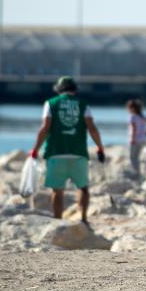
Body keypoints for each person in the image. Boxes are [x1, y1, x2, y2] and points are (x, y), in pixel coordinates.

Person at [29, 76, 105, 225]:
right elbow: (92, 128)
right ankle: (83, 218)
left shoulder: (50, 103)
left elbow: (44, 128)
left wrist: (35, 149)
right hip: (78, 152)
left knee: (57, 190)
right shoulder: (84, 104)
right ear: (74, 89)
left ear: (58, 89)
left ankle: (58, 220)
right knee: (83, 187)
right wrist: (100, 147)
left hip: (56, 151)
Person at [126, 99, 146, 178]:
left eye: (128, 108)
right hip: (143, 139)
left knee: (133, 157)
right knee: (137, 157)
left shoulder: (132, 116)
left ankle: (136, 173)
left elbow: (134, 128)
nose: (127, 109)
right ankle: (138, 173)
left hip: (135, 139)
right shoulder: (141, 115)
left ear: (132, 108)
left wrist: (132, 139)